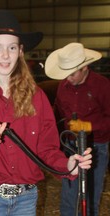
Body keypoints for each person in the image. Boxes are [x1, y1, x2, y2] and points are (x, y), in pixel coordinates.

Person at [0, 9, 92, 216]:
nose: (5, 55)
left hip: (26, 199)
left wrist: (67, 165)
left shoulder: (36, 97)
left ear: (20, 51)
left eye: (12, 47)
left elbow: (47, 149)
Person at [45, 42, 110, 216]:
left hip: (95, 148)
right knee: (68, 193)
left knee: (91, 194)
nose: (69, 78)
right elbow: (57, 110)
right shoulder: (63, 86)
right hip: (71, 146)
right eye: (66, 74)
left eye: (73, 73)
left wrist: (88, 126)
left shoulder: (102, 86)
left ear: (85, 67)